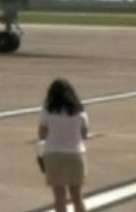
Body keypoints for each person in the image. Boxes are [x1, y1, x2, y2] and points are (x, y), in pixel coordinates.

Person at [38, 78, 89, 212]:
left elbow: (42, 134)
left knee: (59, 199)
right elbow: (84, 134)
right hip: (75, 154)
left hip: (54, 155)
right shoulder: (80, 111)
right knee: (77, 197)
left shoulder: (47, 111)